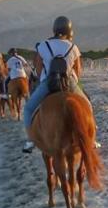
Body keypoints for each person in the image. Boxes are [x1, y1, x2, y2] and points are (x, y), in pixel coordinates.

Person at [21, 16, 87, 151]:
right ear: (69, 30)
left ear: (54, 29)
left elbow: (38, 68)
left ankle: (31, 140)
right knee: (87, 106)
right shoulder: (73, 47)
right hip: (69, 83)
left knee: (28, 109)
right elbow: (78, 71)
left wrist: (44, 79)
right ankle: (91, 139)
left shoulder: (43, 45)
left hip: (48, 83)